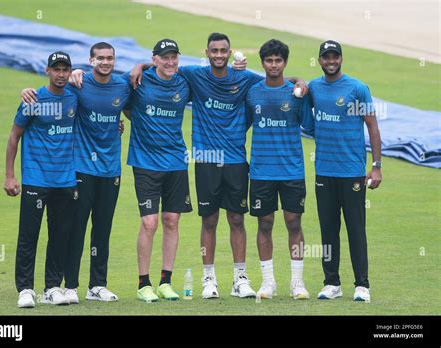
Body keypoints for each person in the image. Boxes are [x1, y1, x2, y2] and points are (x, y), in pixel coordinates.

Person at [130, 32, 307, 299]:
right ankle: (208, 279)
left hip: (236, 159)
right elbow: (164, 65)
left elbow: (274, 80)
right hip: (206, 160)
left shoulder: (245, 78)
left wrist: (299, 80)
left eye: (224, 51)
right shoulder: (194, 75)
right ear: (207, 53)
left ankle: (240, 279)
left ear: (229, 52)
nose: (220, 55)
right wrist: (140, 66)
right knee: (209, 220)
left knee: (236, 219)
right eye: (214, 51)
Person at [21, 42, 132, 303]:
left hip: (111, 170)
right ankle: (69, 285)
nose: (105, 62)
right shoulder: (75, 84)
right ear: (90, 61)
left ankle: (97, 285)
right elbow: (50, 89)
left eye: (110, 58)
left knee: (102, 230)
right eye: (100, 58)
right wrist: (27, 91)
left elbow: (142, 77)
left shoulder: (122, 86)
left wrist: (142, 65)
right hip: (81, 169)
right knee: (75, 229)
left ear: (114, 61)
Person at [307, 40, 382, 302]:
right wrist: (297, 84)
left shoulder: (357, 89)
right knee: (328, 229)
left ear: (341, 59)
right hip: (324, 171)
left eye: (335, 57)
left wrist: (376, 166)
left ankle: (362, 285)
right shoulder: (314, 88)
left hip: (352, 172)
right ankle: (332, 283)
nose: (331, 61)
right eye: (326, 57)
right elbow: (298, 87)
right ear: (319, 60)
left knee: (355, 228)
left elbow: (372, 126)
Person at [5, 51, 78, 308]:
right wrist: (10, 175)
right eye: (56, 69)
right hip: (36, 180)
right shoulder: (33, 99)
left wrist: (117, 126)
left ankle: (51, 288)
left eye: (65, 69)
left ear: (70, 72)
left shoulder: (74, 97)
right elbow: (14, 136)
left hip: (66, 180)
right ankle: (25, 289)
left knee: (60, 236)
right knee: (29, 235)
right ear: (47, 71)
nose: (60, 74)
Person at [126, 39, 193, 302]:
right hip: (145, 163)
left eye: (174, 56)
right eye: (164, 57)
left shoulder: (185, 82)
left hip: (176, 161)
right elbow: (115, 97)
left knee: (172, 220)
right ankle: (144, 284)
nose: (170, 62)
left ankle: (166, 281)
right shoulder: (137, 80)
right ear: (154, 59)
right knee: (149, 222)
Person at [246, 39, 313, 300]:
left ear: (285, 62)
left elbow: (309, 126)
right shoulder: (252, 93)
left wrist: (303, 85)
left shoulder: (297, 94)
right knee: (265, 223)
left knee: (293, 223)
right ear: (262, 63)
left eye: (278, 60)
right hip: (261, 172)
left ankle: (297, 282)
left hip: (292, 171)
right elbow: (242, 125)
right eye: (269, 60)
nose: (274, 65)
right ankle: (268, 283)